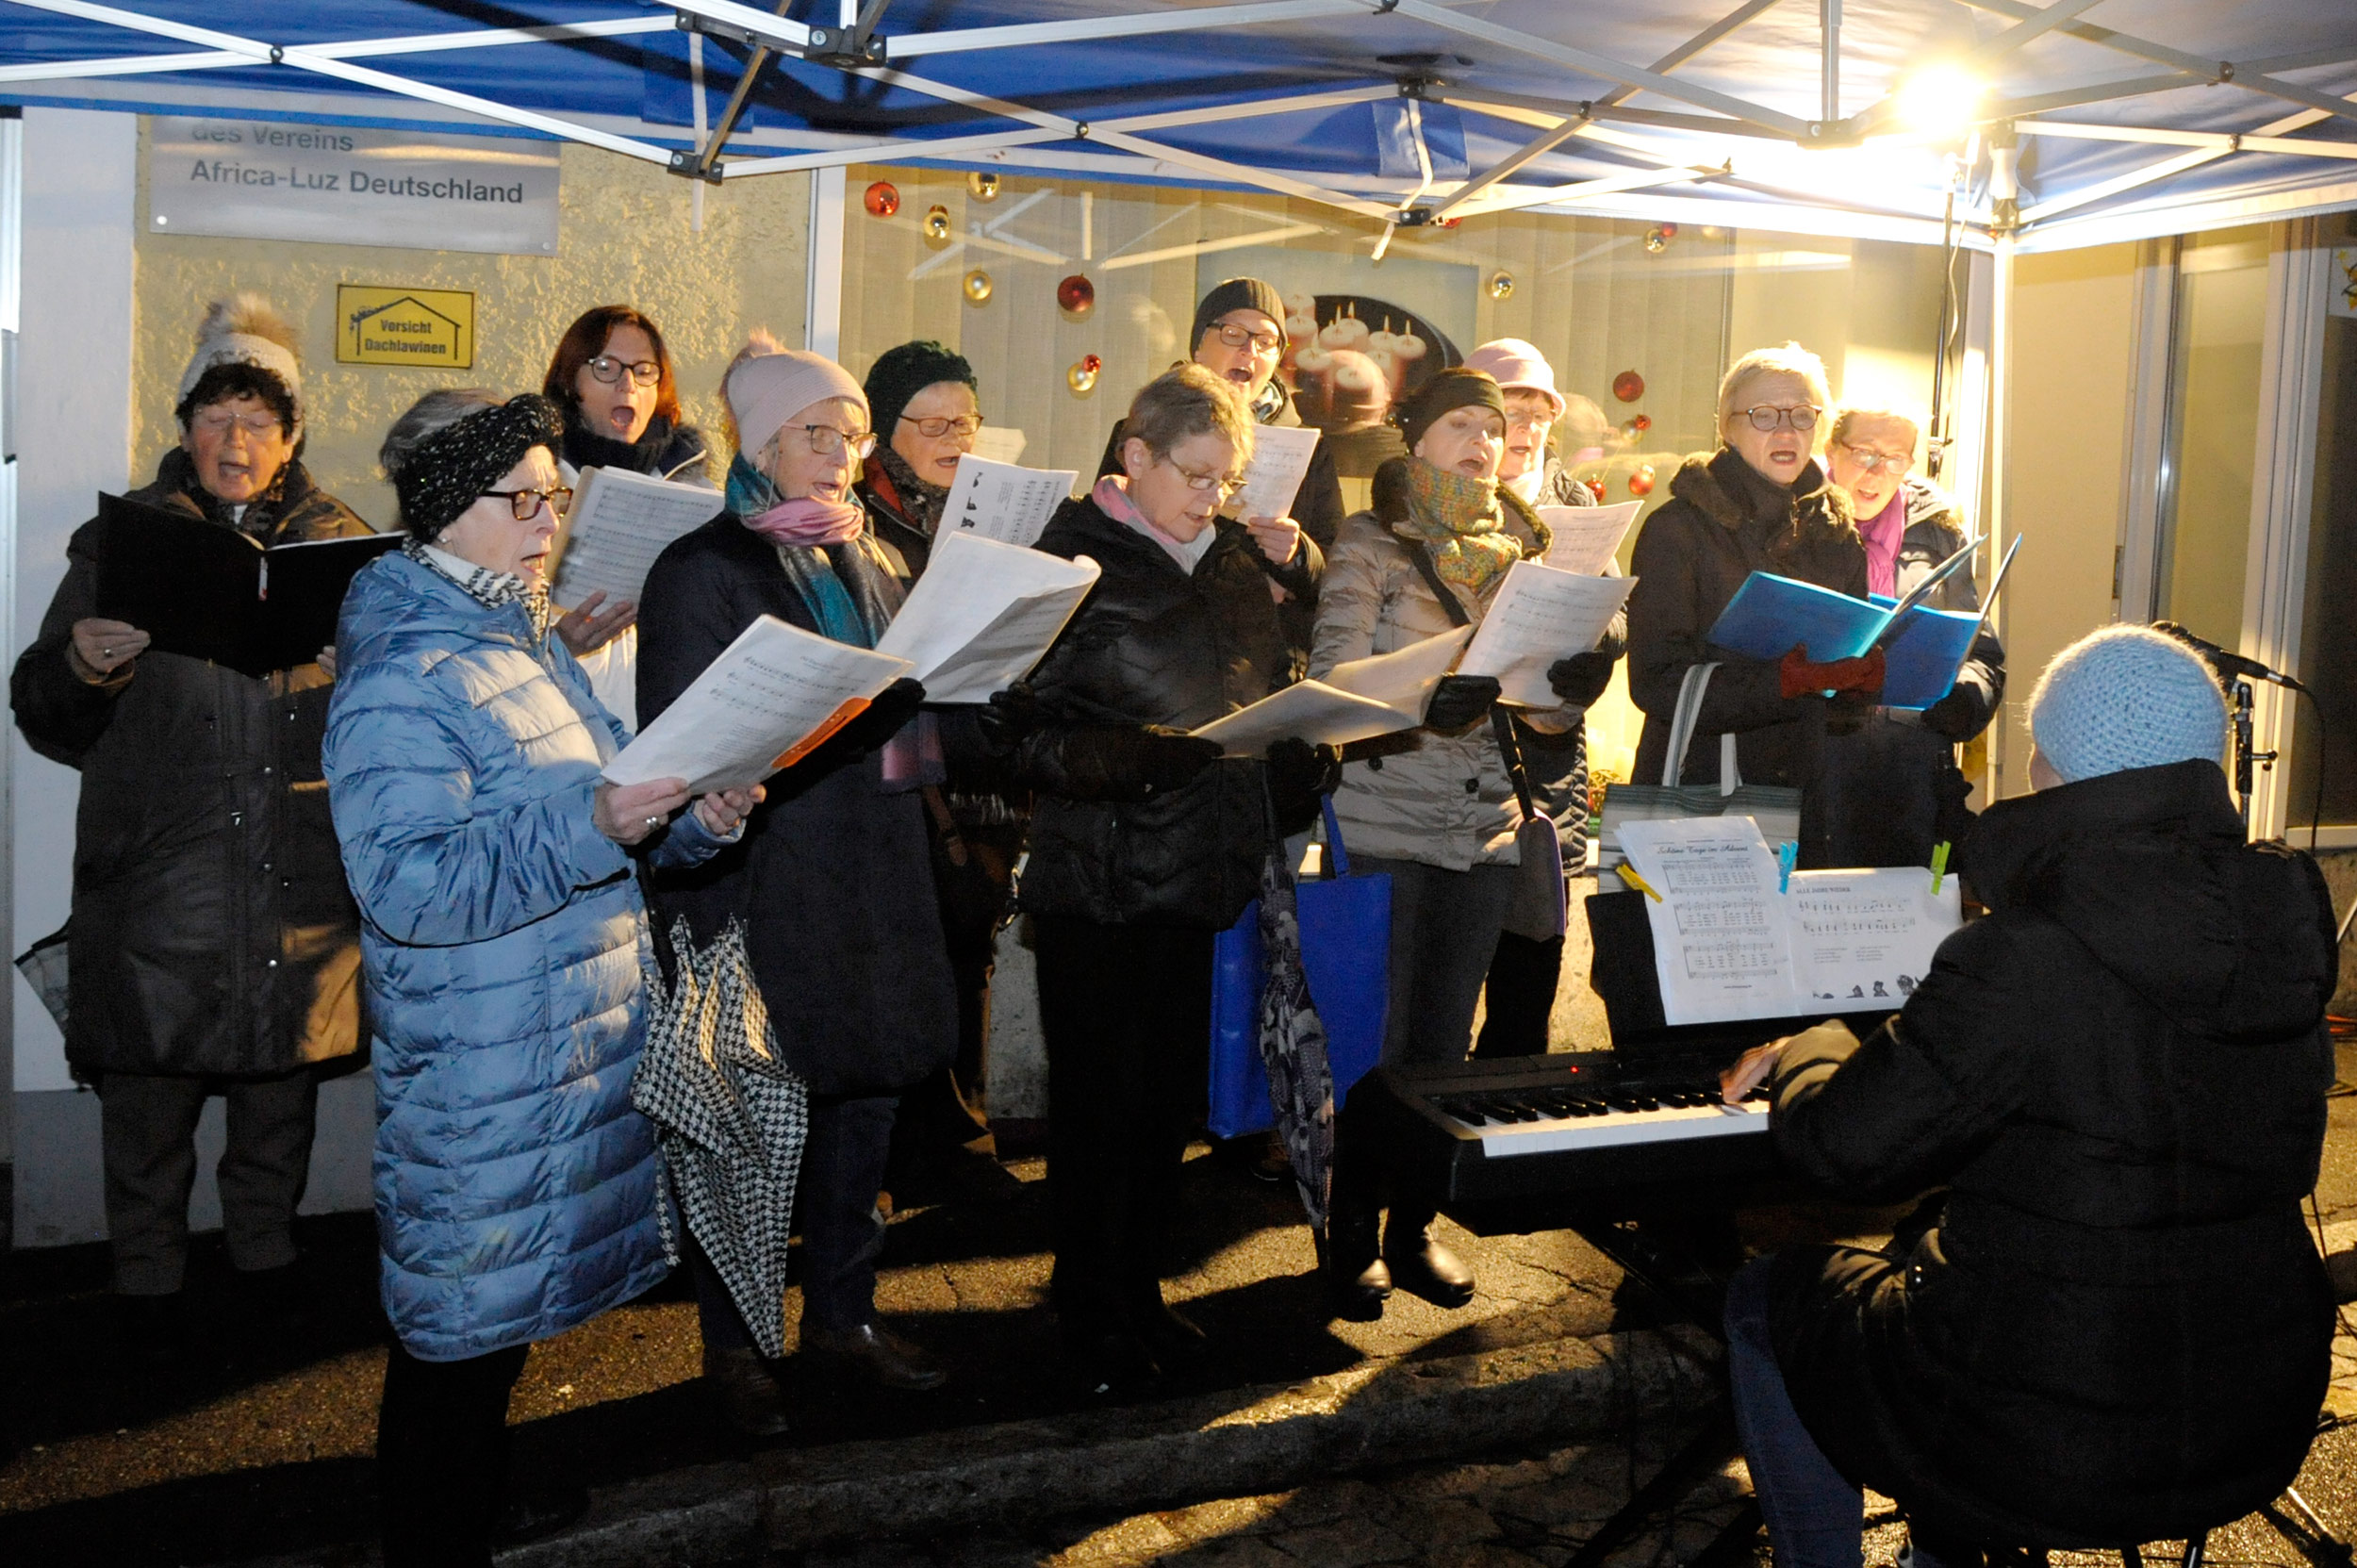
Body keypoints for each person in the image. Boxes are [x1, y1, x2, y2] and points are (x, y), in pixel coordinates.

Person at [1717, 624, 2336, 1566]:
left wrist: (1810, 1045)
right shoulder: (2284, 926)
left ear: (2052, 768)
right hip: (2252, 1405)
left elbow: (1842, 1150)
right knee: (1979, 1271)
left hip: (2044, 1436)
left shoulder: (2021, 952)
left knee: (1776, 1291)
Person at [323, 389, 754, 1567]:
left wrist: (696, 822)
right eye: (523, 500)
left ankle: (472, 1498)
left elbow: (603, 823)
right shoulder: (403, 675)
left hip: (551, 1040)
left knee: (493, 1323)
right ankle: (432, 1530)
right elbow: (410, 887)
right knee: (454, 1331)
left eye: (556, 497)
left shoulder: (517, 638)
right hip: (481, 1057)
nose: (548, 521)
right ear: (444, 515)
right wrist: (594, 822)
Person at [9, 294, 372, 1339]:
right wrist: (82, 666)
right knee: (150, 1105)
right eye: (217, 417)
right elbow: (41, 708)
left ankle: (266, 1264)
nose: (237, 439)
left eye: (261, 421)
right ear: (183, 428)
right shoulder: (123, 542)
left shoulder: (339, 542)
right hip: (160, 877)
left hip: (294, 876)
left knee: (278, 1100)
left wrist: (363, 677)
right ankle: (144, 1285)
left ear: (291, 436)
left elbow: (392, 724)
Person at [636, 336, 958, 1430]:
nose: (840, 456)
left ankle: (842, 1317)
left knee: (862, 1108)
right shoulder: (703, 568)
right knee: (753, 1117)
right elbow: (684, 744)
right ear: (761, 443)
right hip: (760, 878)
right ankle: (734, 1348)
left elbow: (917, 714)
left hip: (873, 867)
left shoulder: (874, 557)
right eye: (818, 434)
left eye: (852, 436)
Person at [1000, 363, 1329, 1392]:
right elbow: (998, 725)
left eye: (1225, 480)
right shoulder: (1066, 555)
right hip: (1098, 880)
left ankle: (1138, 1294)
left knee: (1164, 1112)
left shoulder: (1231, 556)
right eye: (1193, 476)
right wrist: (1113, 758)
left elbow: (1259, 683)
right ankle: (1088, 1308)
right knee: (1099, 1115)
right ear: (1132, 456)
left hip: (1200, 872)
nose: (1210, 499)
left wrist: (1296, 748)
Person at [1310, 368, 1618, 1318]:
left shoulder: (1528, 553)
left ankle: (1414, 1230)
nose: (1484, 441)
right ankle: (1348, 1232)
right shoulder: (1369, 544)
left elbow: (1547, 724)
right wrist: (1419, 693)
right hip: (1386, 820)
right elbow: (1332, 682)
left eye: (1494, 426)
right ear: (1413, 440)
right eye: (1460, 424)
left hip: (1484, 829)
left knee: (1444, 1049)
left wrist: (1577, 681)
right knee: (1380, 1046)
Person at [852, 341, 1023, 1197]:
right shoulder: (856, 516)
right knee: (898, 953)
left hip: (982, 759)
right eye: (936, 421)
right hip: (899, 763)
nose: (957, 436)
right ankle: (897, 1148)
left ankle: (960, 1138)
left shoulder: (994, 510)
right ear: (886, 431)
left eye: (968, 420)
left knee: (968, 948)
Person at [1624, 342, 1869, 868]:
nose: (1786, 432)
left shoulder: (1838, 533)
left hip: (1804, 798)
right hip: (1700, 787)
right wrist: (1779, 683)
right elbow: (1655, 681)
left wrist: (1859, 684)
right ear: (1726, 427)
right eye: (1763, 416)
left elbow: (1843, 709)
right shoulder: (1678, 528)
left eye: (1803, 416)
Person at [1460, 338, 1624, 1058]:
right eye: (1508, 410)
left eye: (1538, 413)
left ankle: (1508, 1136)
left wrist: (1601, 649)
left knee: (1529, 974)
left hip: (1548, 762)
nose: (1525, 427)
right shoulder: (1443, 498)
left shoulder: (1575, 503)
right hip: (1460, 762)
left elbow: (1616, 608)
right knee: (1445, 976)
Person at [1815, 406, 2004, 867]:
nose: (1878, 471)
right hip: (1813, 767)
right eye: (1864, 453)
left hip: (1907, 771)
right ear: (1831, 450)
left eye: (1896, 459)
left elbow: (1981, 654)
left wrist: (1963, 700)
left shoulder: (1938, 534)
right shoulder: (1797, 525)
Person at [538, 304, 717, 727]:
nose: (628, 385)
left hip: (662, 724)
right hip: (566, 726)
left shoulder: (692, 488)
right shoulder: (534, 487)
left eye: (644, 371)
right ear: (569, 383)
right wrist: (554, 648)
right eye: (605, 367)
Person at [1097, 274, 1347, 569]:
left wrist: (1298, 556)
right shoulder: (1147, 429)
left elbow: (1337, 567)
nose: (1250, 351)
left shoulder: (1311, 449)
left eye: (1266, 342)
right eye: (1233, 333)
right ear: (1198, 347)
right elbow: (1104, 537)